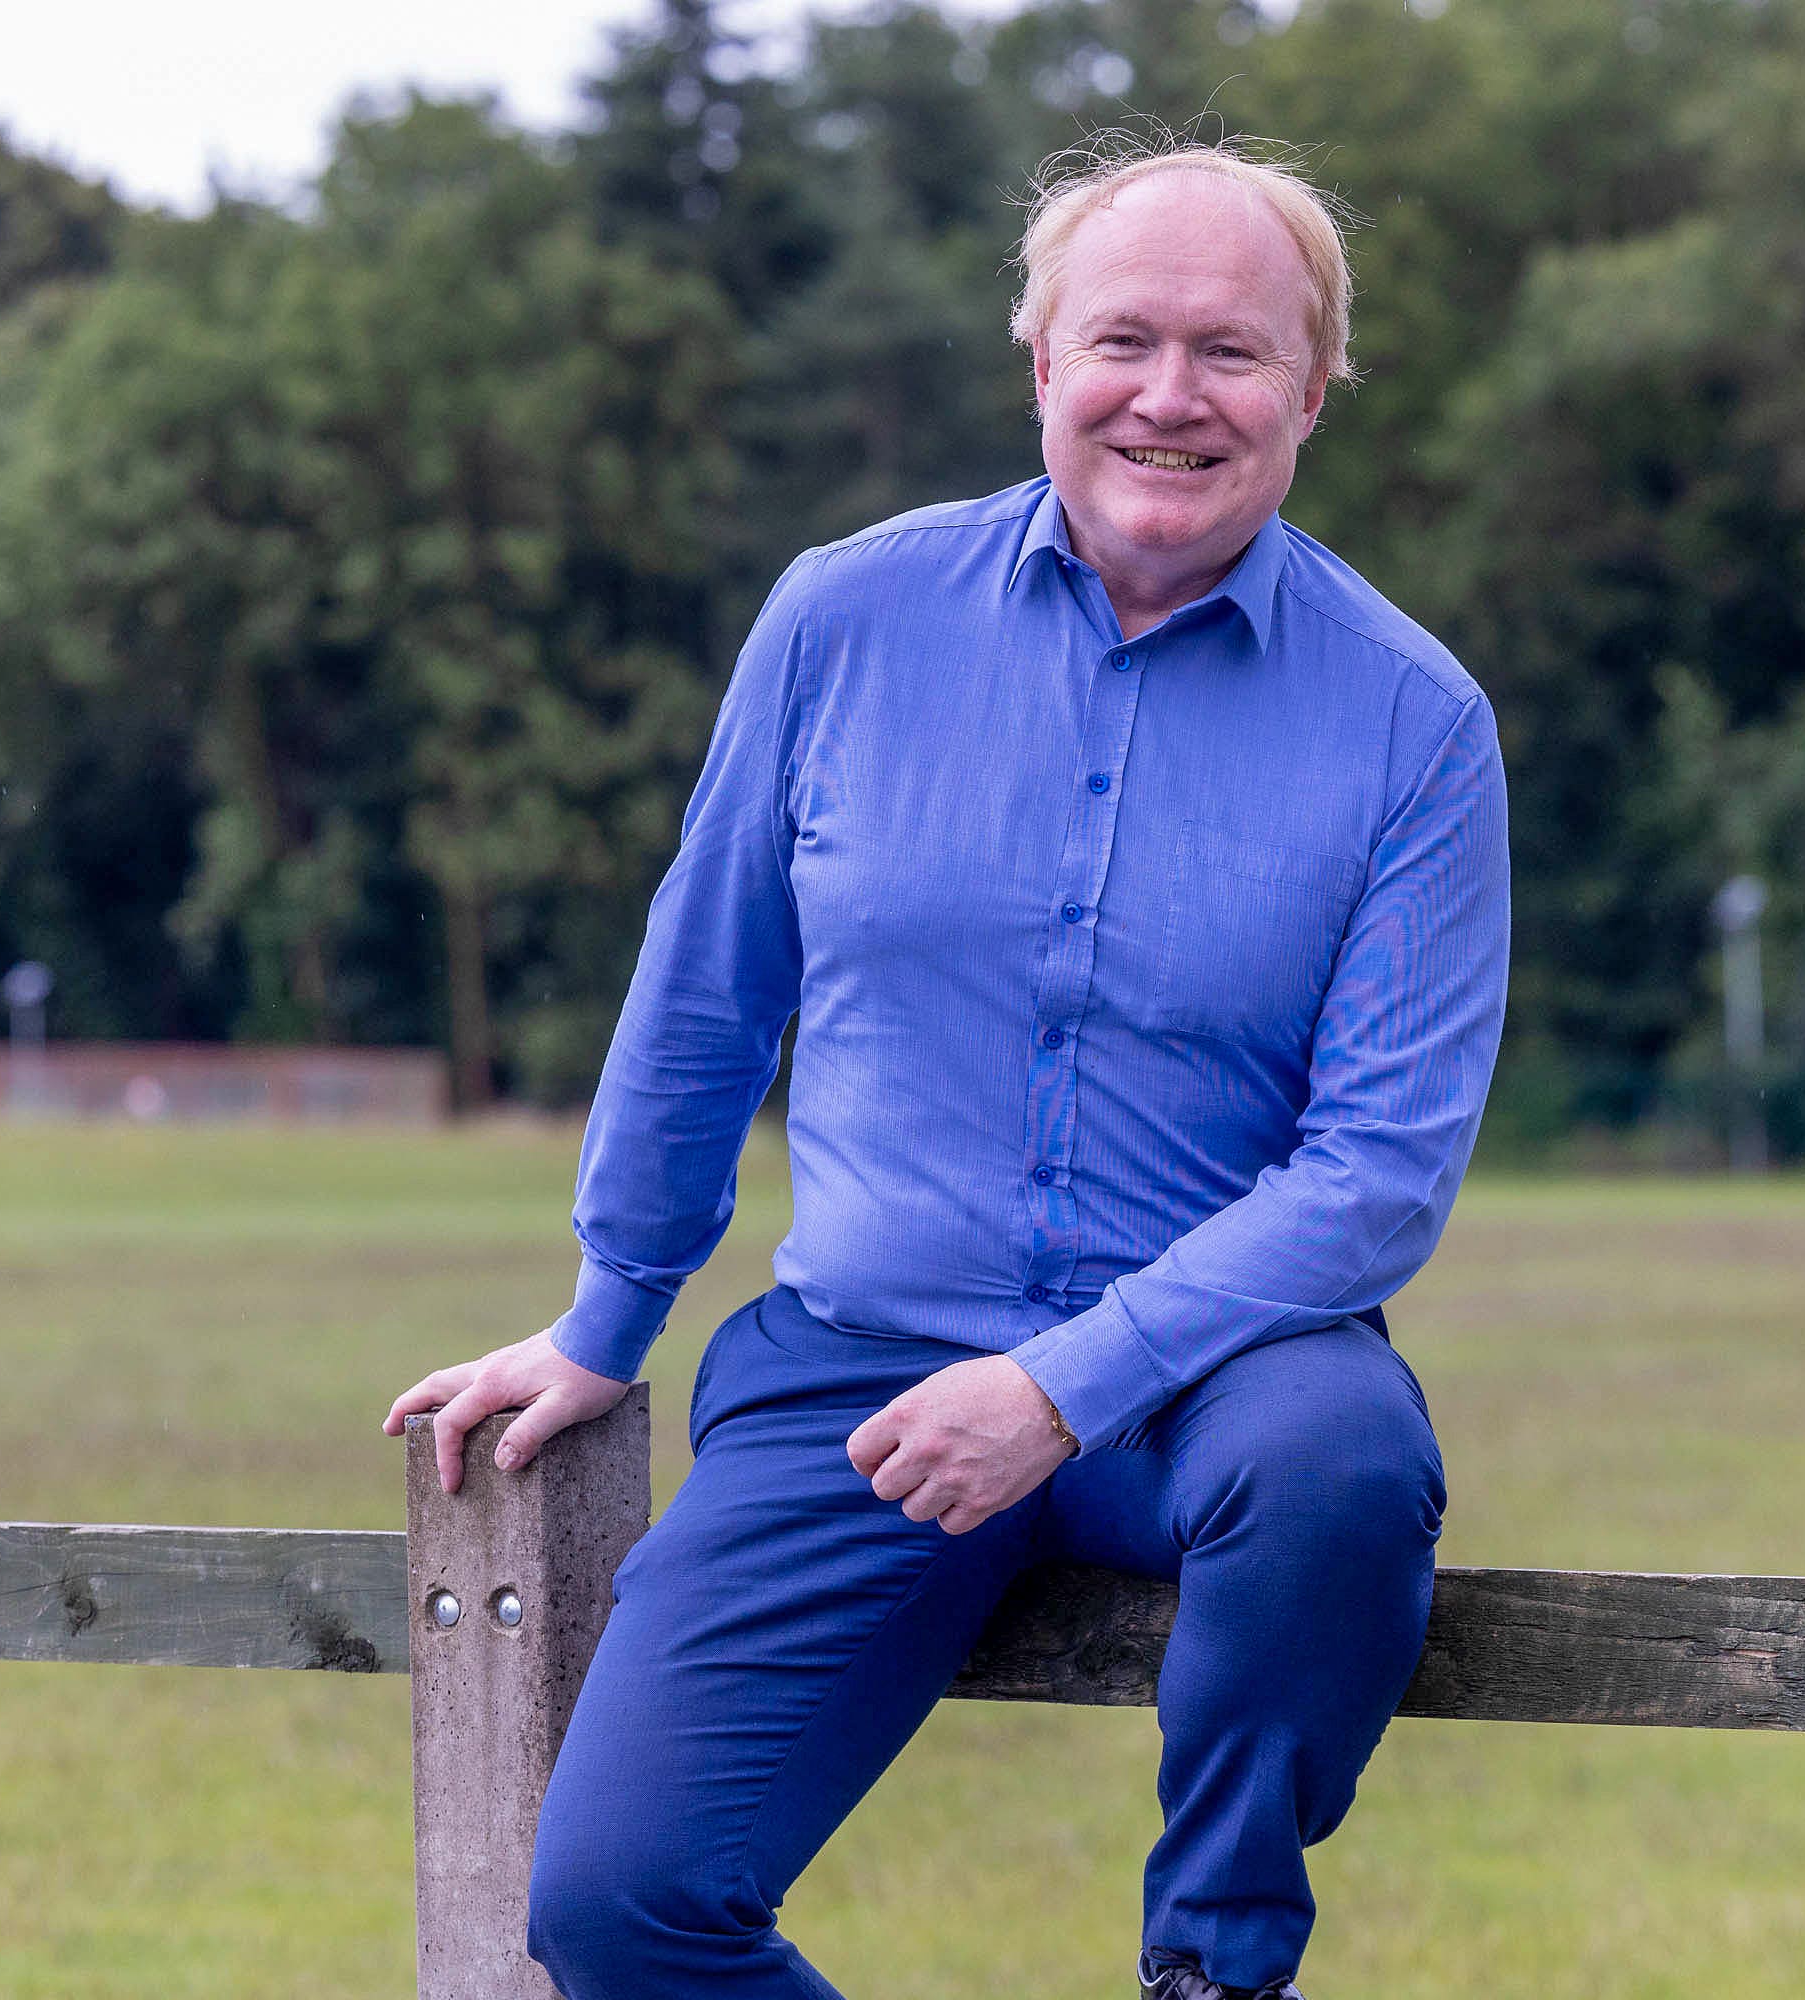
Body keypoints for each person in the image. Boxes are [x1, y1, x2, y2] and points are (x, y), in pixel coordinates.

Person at [384, 134, 1509, 2000]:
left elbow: (1376, 1176)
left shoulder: (1416, 722)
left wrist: (1059, 1390)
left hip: (1210, 1381)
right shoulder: (844, 619)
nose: (1169, 397)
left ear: (1312, 388)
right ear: (1038, 358)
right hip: (858, 1371)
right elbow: (705, 992)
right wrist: (609, 1314)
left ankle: (1215, 1971)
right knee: (619, 1909)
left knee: (1340, 1460)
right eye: (1120, 339)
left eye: (1231, 352)